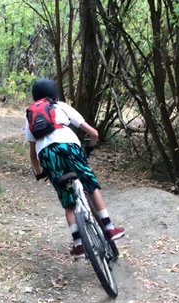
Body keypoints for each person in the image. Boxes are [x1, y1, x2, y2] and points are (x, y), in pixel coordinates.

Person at [24, 78, 125, 259]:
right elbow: (93, 133)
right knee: (90, 185)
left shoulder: (31, 115)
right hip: (70, 147)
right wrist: (90, 147)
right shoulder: (61, 106)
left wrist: (39, 173)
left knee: (67, 200)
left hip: (47, 155)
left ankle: (79, 244)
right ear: (54, 93)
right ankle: (110, 229)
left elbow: (32, 154)